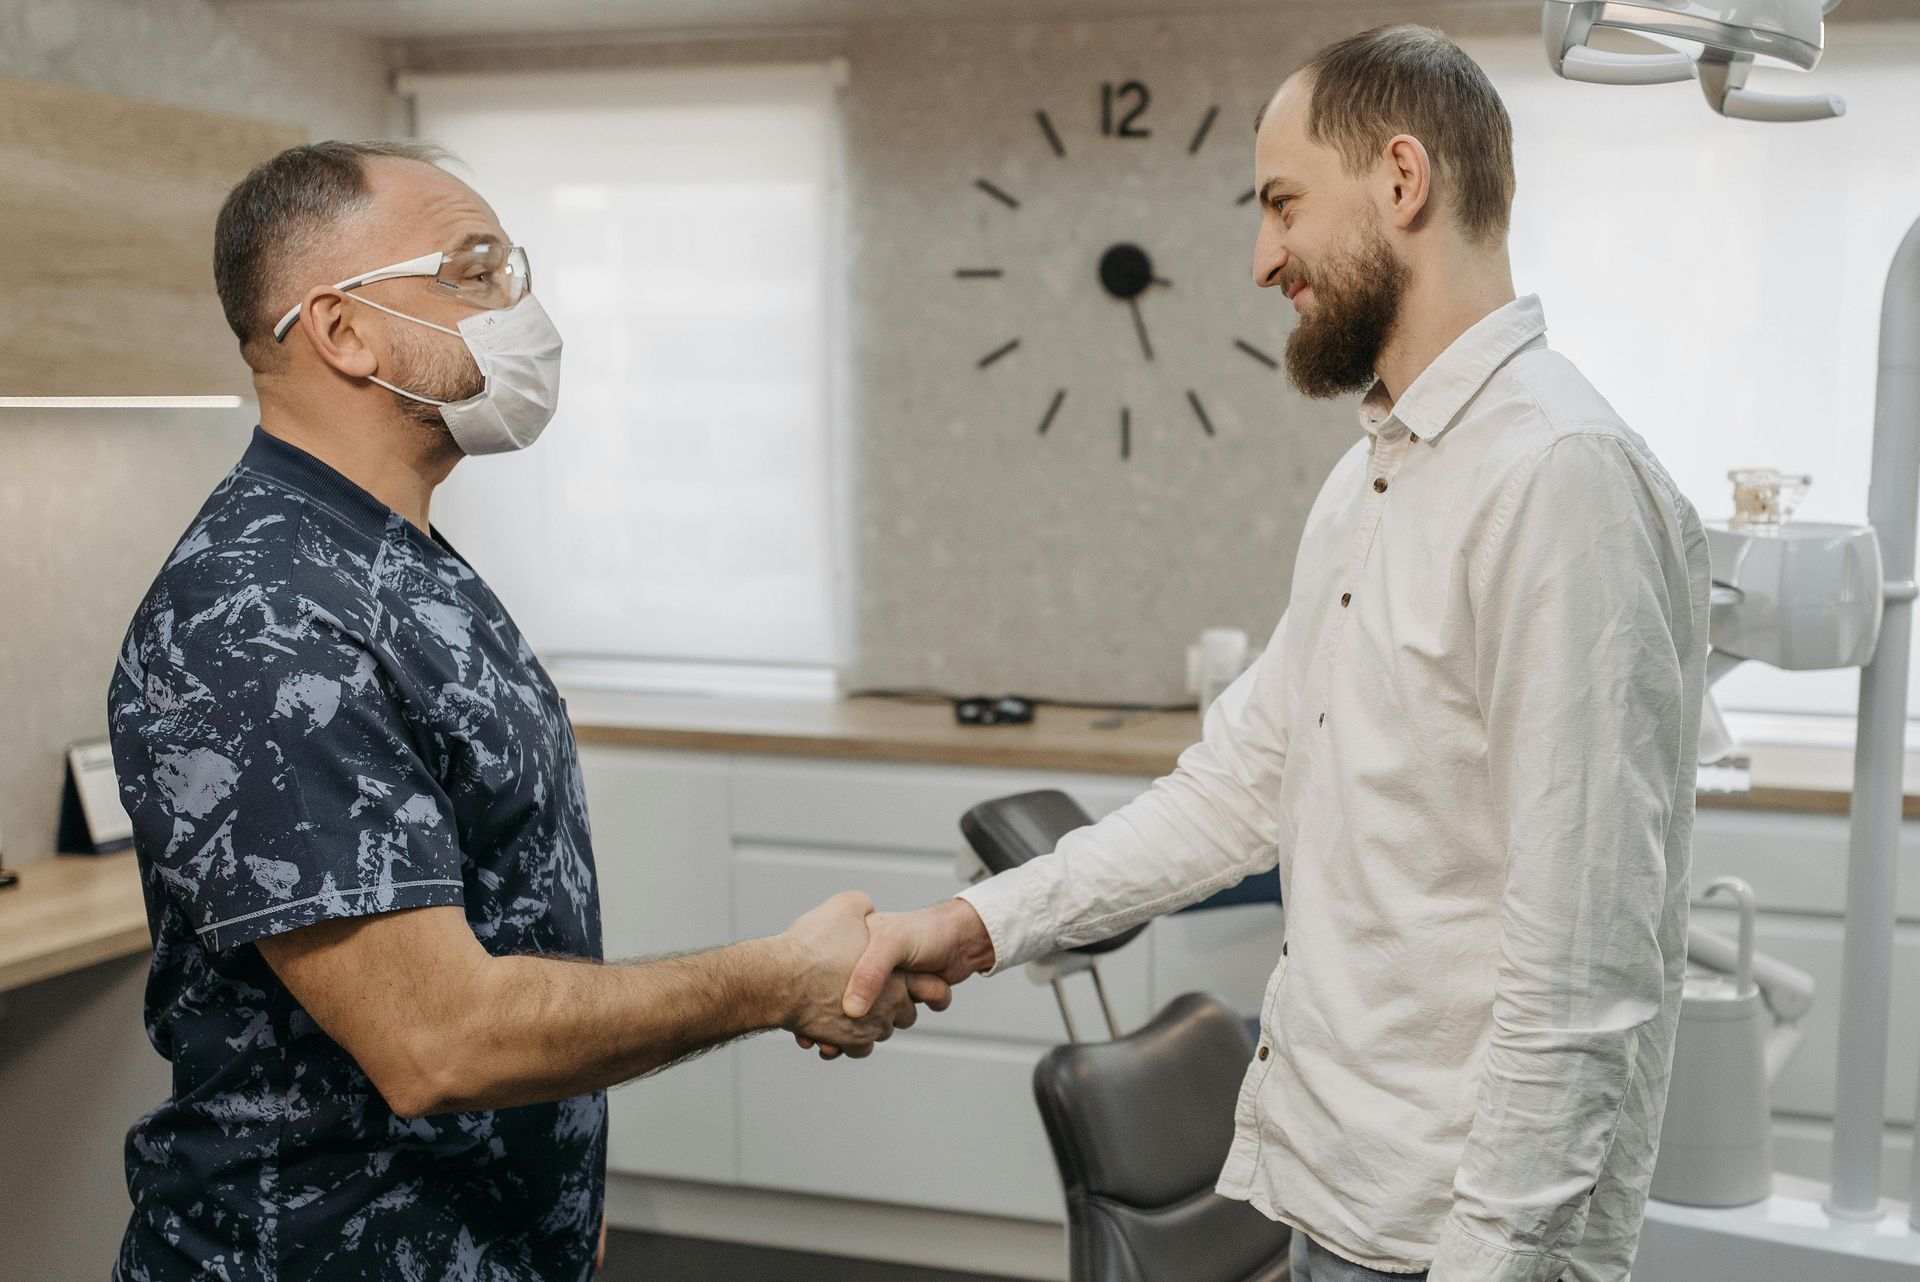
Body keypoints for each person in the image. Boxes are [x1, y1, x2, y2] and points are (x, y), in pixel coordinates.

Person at [838, 25, 1709, 1282]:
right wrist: (977, 925)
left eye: (1282, 204)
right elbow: (1239, 788)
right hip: (1332, 1199)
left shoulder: (1557, 479)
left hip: (1457, 1240)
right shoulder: (1372, 486)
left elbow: (1584, 974)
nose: (1262, 260)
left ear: (1401, 182)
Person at [108, 140, 944, 1281]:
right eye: (473, 270)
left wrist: (559, 1194)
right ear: (342, 330)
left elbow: (506, 923)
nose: (520, 309)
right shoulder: (259, 616)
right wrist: (777, 975)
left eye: (515, 270)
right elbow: (439, 1038)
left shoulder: (393, 559)